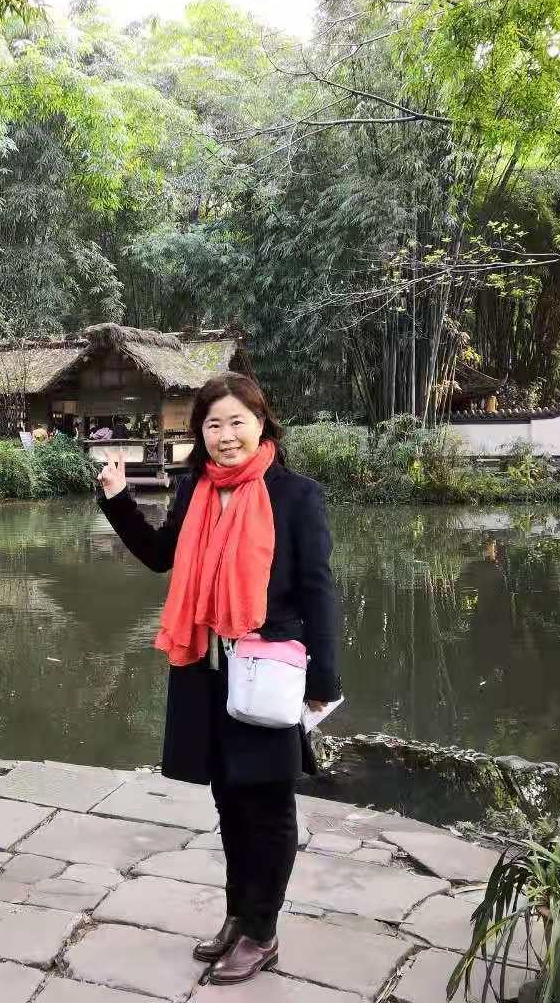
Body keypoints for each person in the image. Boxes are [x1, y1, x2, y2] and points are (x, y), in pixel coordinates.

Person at [95, 372, 341, 985]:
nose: (226, 435)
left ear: (261, 423)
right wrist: (119, 499)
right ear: (199, 433)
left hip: (266, 673)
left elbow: (318, 590)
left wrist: (324, 678)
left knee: (269, 805)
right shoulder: (195, 490)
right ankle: (239, 917)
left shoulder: (296, 495)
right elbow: (160, 556)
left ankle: (263, 932)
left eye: (237, 422)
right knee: (229, 799)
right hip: (205, 669)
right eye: (213, 424)